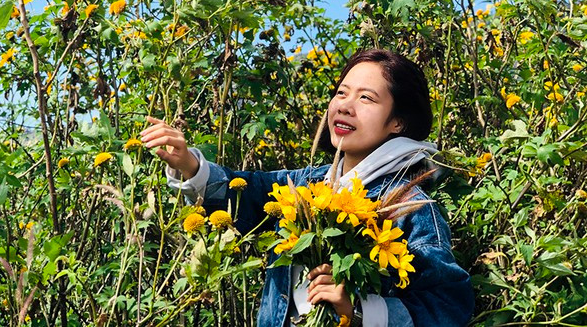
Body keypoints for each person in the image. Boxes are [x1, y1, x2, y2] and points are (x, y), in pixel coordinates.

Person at [141, 48, 474, 327]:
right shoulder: (306, 183)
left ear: (398, 122)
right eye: (341, 92)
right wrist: (189, 165)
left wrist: (359, 310)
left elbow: (448, 305)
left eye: (366, 98)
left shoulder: (409, 204)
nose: (344, 105)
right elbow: (245, 194)